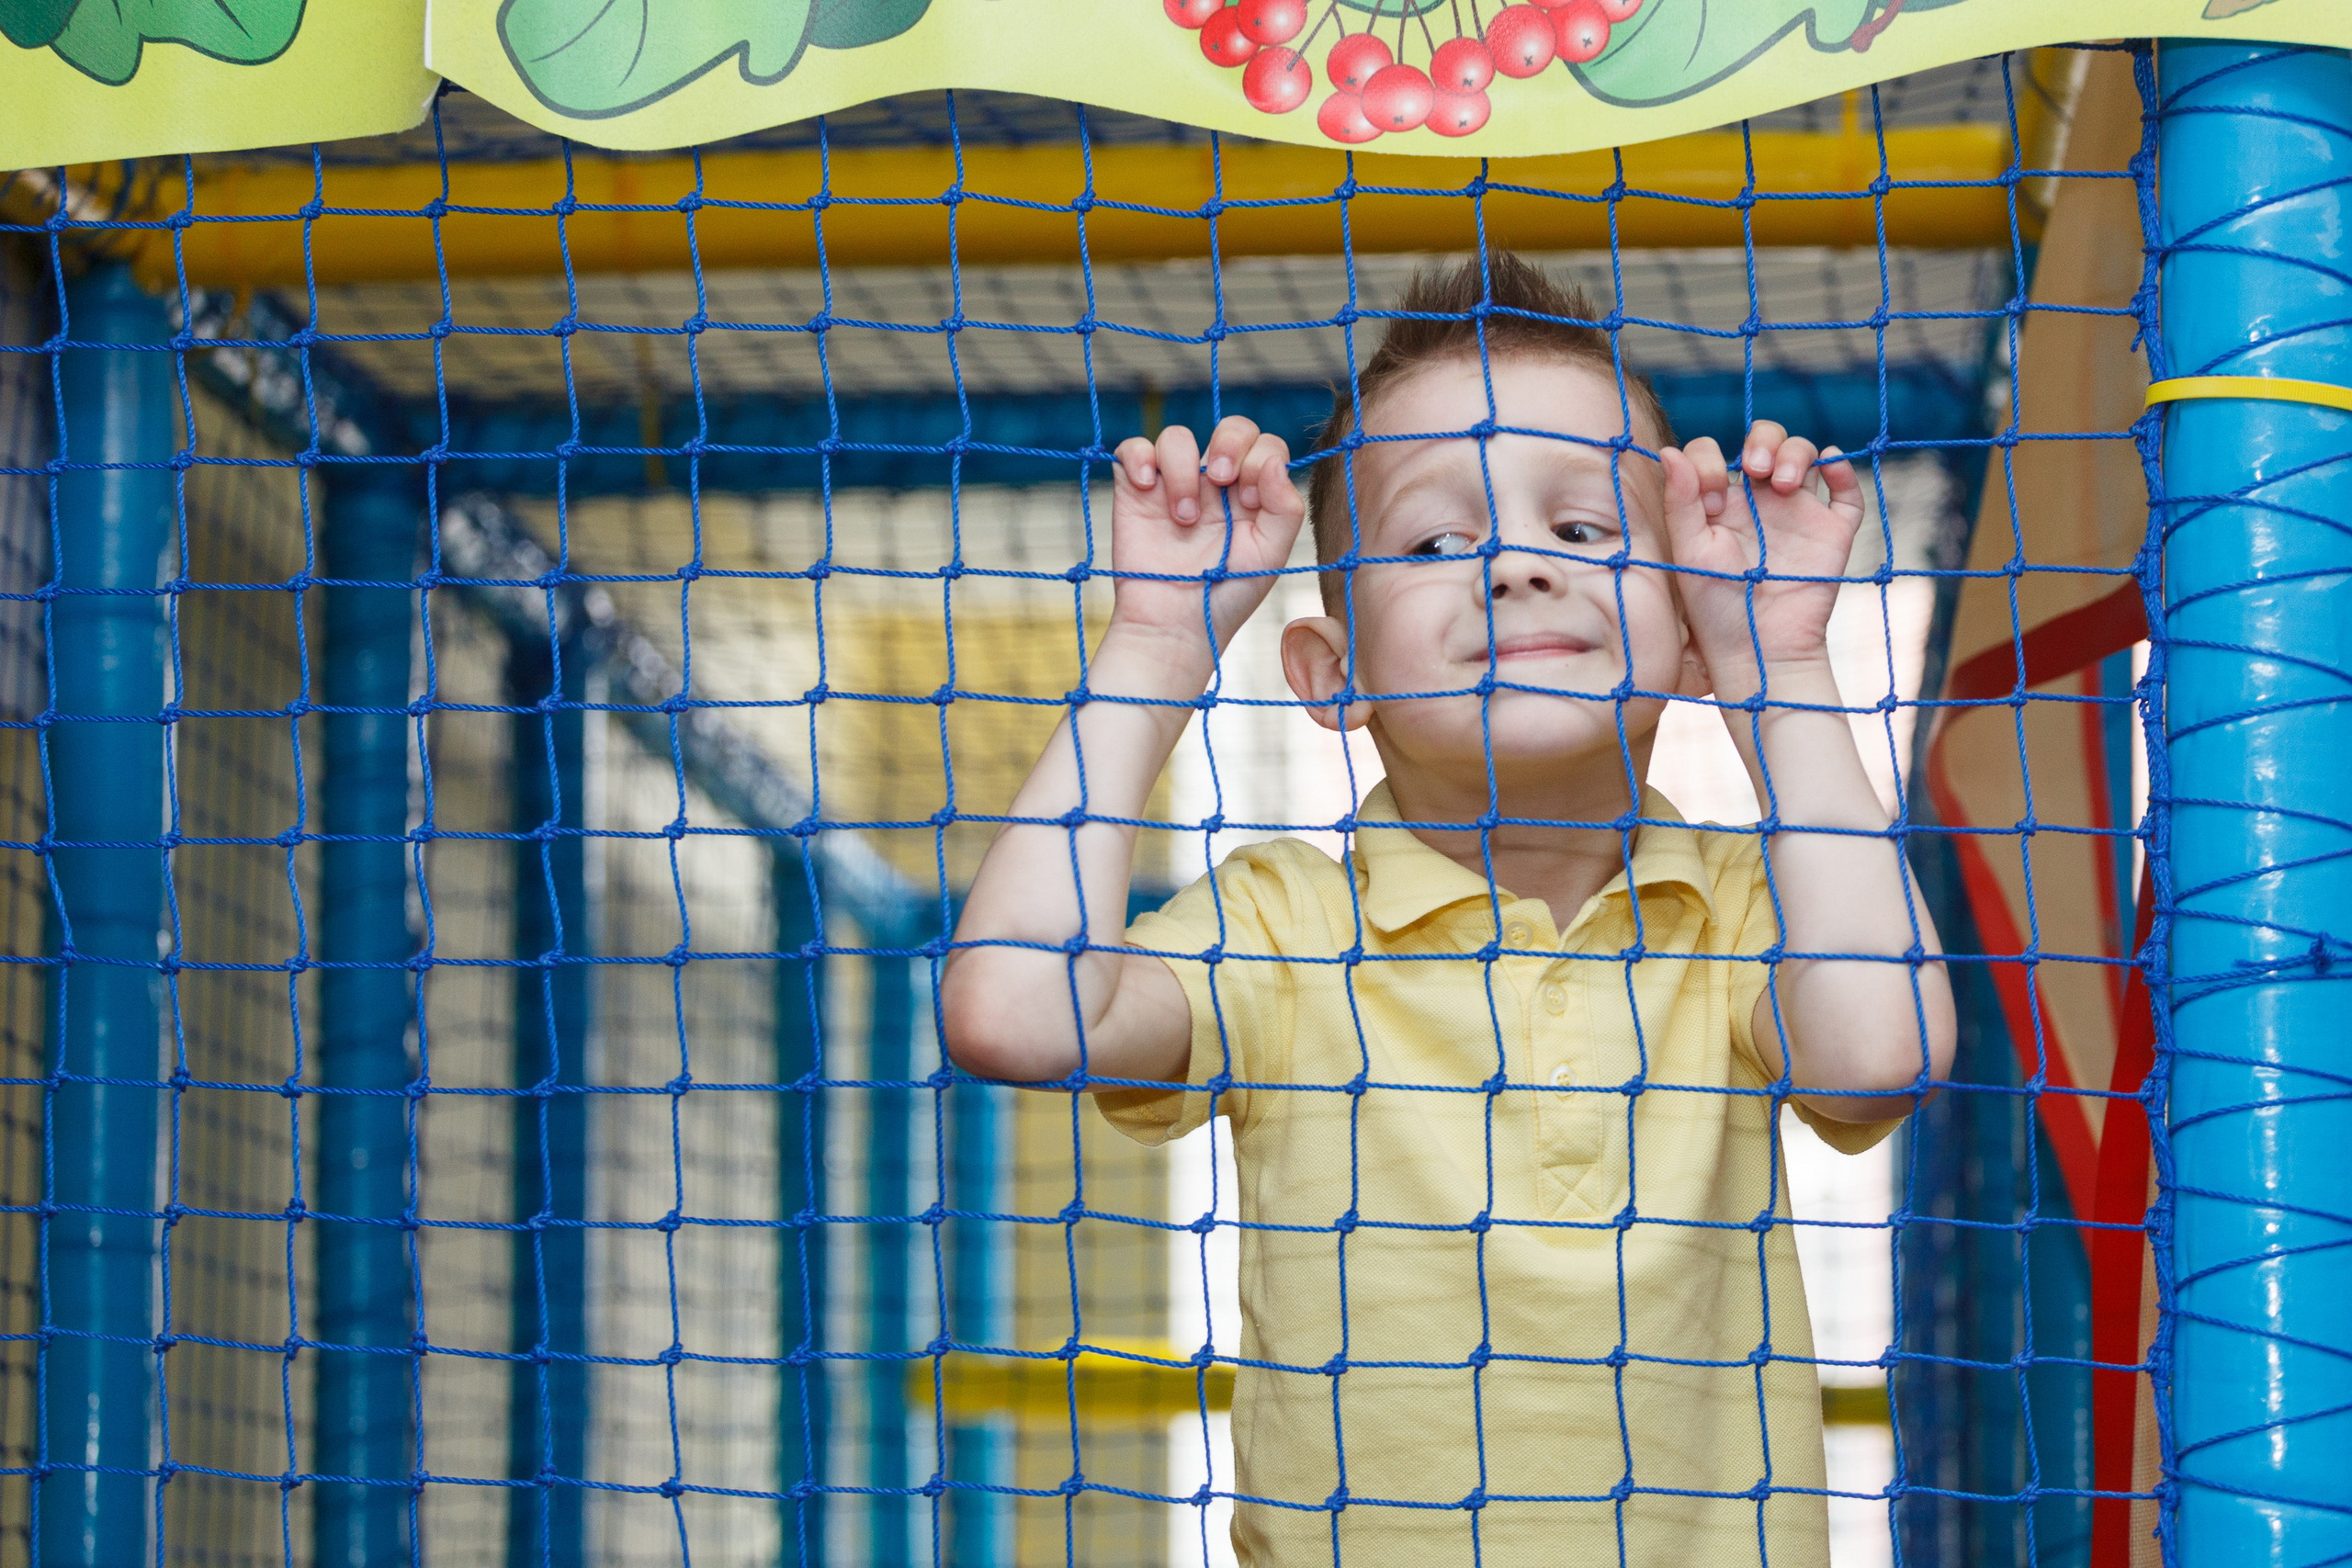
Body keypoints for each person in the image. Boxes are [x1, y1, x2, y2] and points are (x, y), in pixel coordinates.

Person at [938, 252, 1957, 1566]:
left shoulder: (1750, 910)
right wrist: (1158, 647)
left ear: (1687, 627)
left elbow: (1885, 1056)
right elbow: (1015, 1011)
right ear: (1333, 670)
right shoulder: (1284, 929)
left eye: (1585, 530)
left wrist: (1782, 666)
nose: (1520, 570)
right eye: (1436, 541)